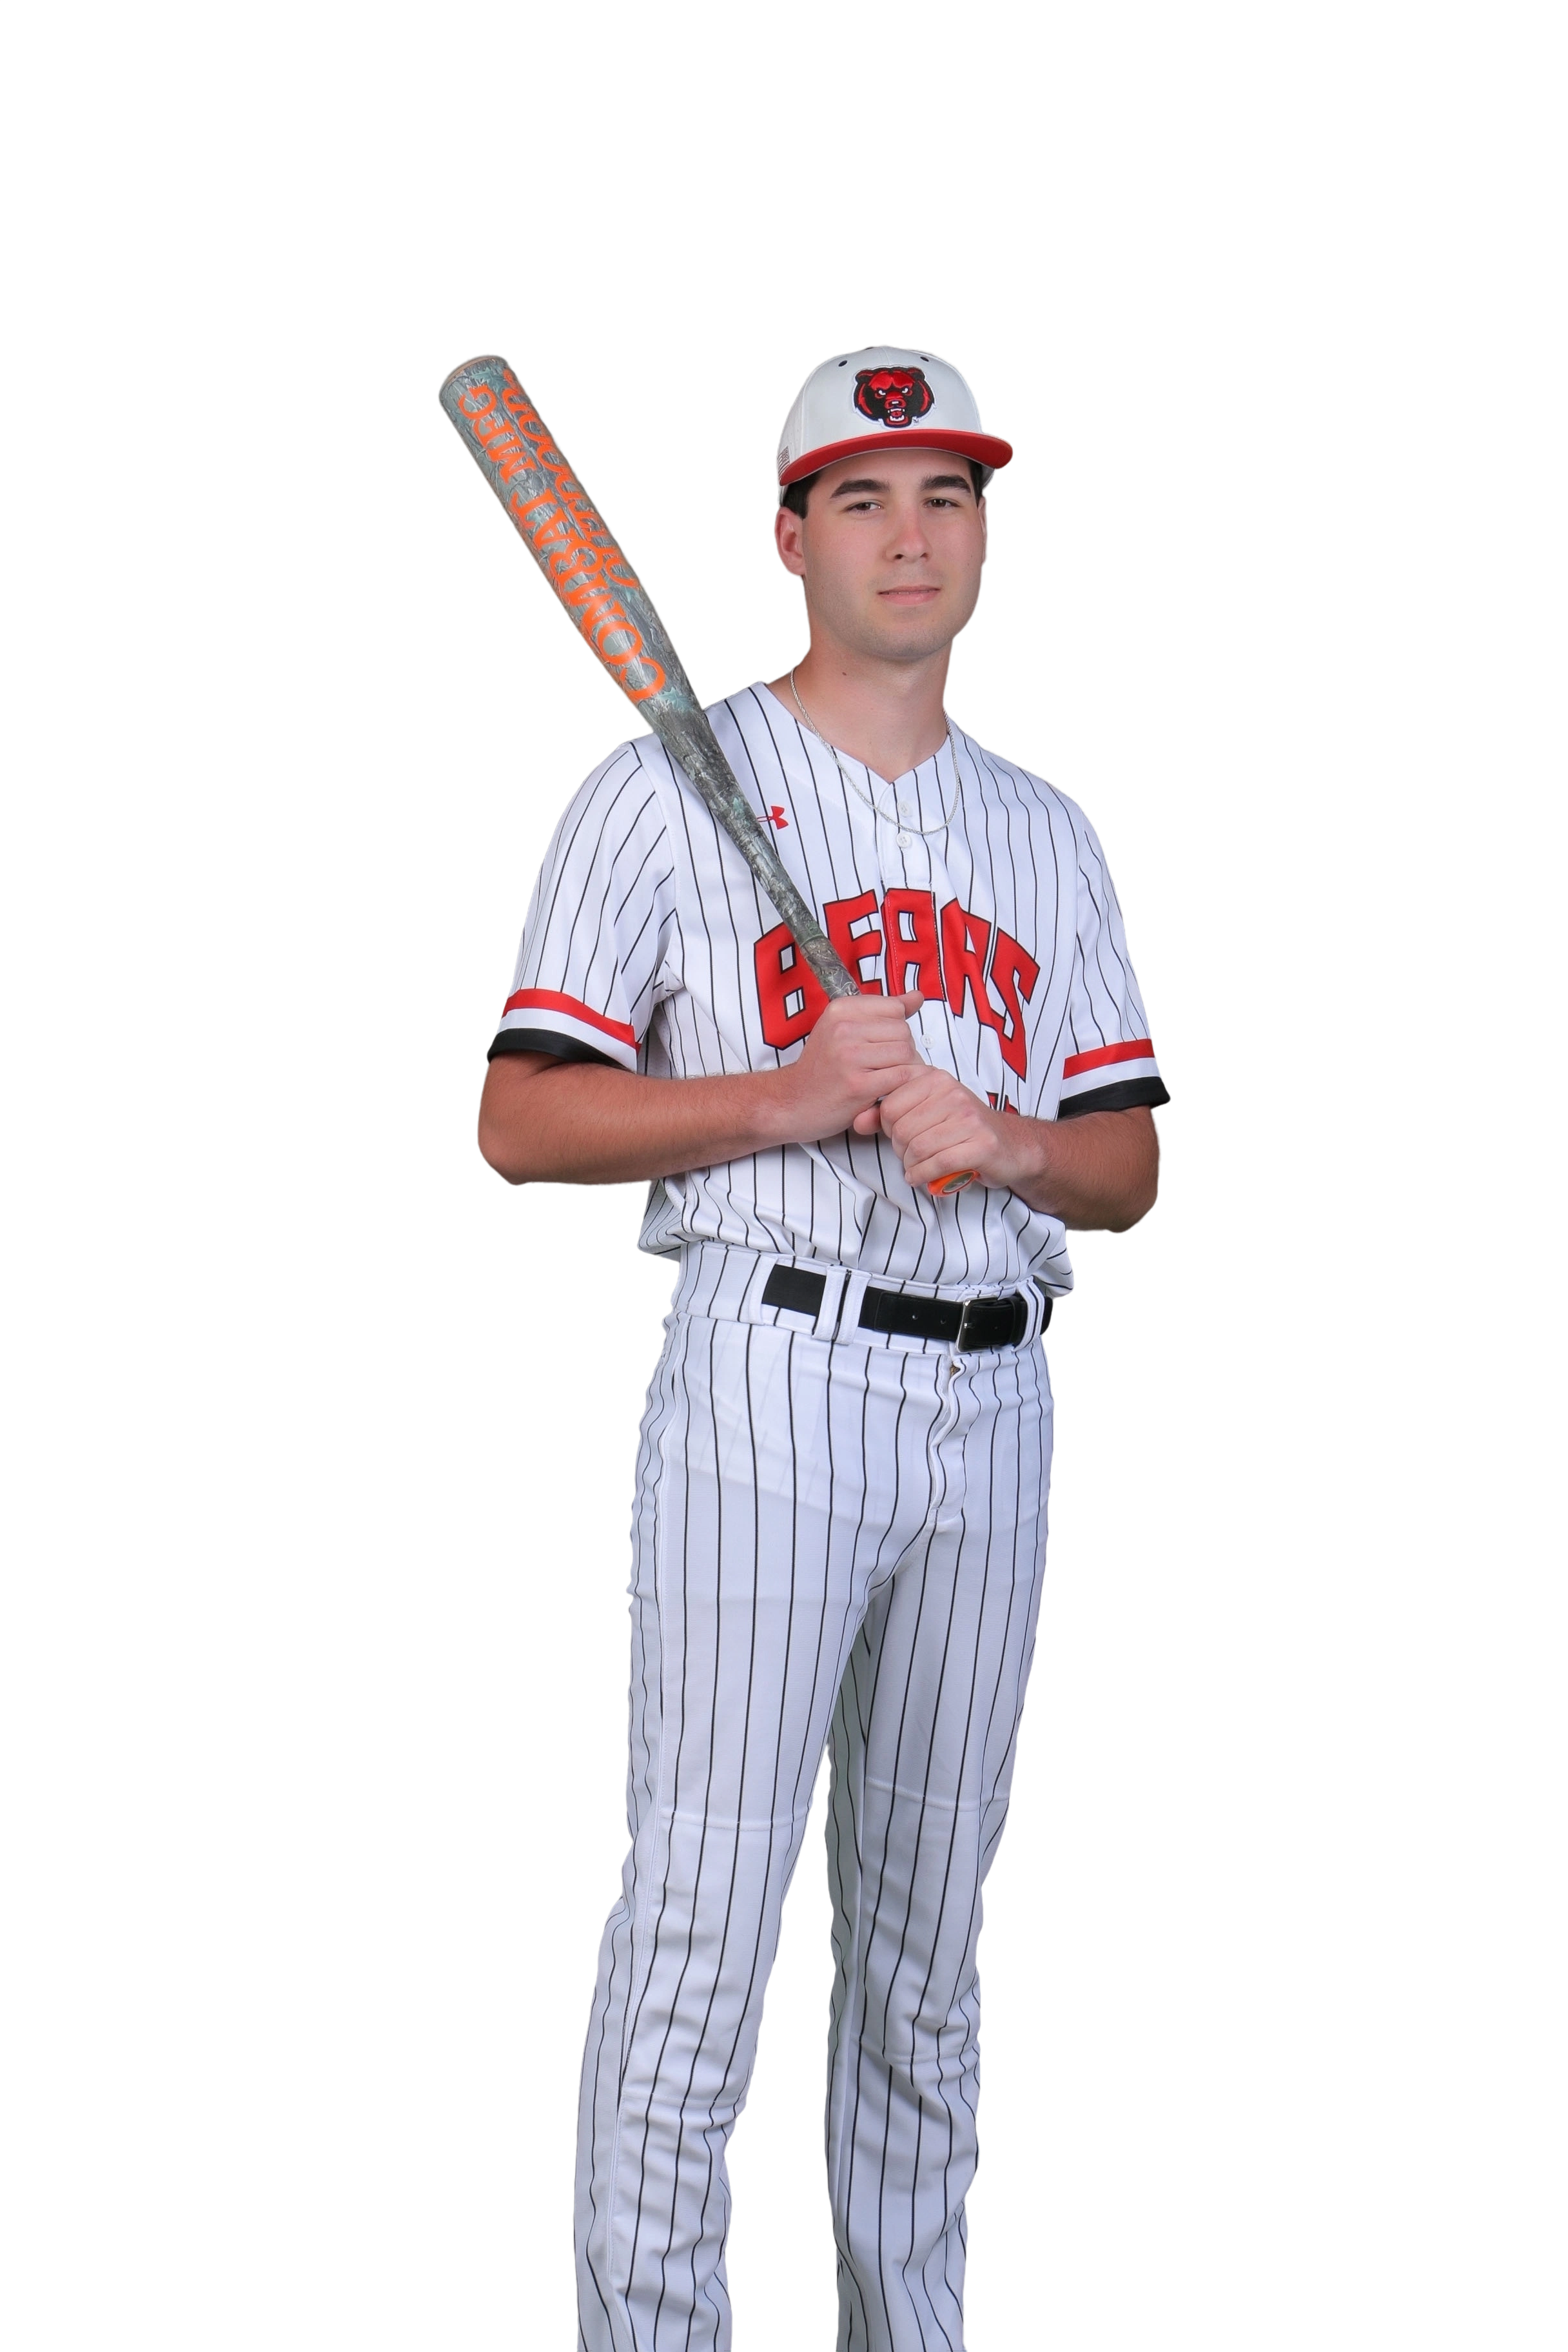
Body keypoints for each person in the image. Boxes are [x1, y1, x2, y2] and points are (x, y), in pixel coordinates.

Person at [475, 344, 1170, 2352]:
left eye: (948, 495)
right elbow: (522, 1121)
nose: (911, 535)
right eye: (862, 497)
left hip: (996, 1395)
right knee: (702, 1940)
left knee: (927, 1959)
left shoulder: (1045, 832)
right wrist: (787, 1097)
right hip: (771, 1376)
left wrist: (1009, 1140)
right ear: (790, 540)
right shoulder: (656, 792)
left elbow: (1127, 1165)